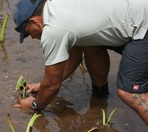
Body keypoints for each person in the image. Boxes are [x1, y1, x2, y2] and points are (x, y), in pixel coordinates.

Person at [13, 0, 148, 125]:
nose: (33, 37)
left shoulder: (52, 29)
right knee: (90, 44)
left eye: (28, 33)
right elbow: (74, 58)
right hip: (137, 13)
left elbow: (52, 85)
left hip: (143, 26)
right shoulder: (59, 6)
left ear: (35, 22)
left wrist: (35, 104)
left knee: (130, 93)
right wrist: (42, 85)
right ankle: (100, 96)